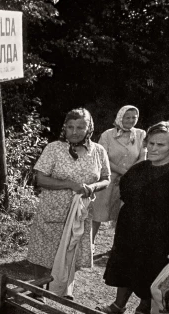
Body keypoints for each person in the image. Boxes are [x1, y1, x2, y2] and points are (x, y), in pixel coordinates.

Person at [102, 121, 169, 314]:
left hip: (161, 236)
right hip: (131, 230)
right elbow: (125, 191)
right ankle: (118, 305)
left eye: (160, 145)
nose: (152, 148)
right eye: (150, 143)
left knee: (151, 270)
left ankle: (143, 310)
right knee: (125, 266)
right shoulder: (140, 169)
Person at [27, 108, 111, 300]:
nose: (74, 132)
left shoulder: (98, 151)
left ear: (89, 128)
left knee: (72, 248)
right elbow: (40, 179)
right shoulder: (54, 148)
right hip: (53, 209)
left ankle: (64, 287)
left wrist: (92, 187)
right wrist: (69, 185)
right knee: (45, 249)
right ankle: (39, 289)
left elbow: (106, 178)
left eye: (80, 127)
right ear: (64, 127)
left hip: (81, 210)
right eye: (70, 127)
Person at [91, 105, 147, 242]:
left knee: (123, 216)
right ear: (120, 117)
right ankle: (89, 245)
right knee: (97, 213)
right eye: (127, 117)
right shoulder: (107, 135)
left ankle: (117, 247)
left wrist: (129, 176)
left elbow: (143, 157)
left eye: (134, 117)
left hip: (131, 181)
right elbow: (102, 158)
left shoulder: (141, 134)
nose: (131, 120)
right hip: (107, 179)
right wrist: (123, 173)